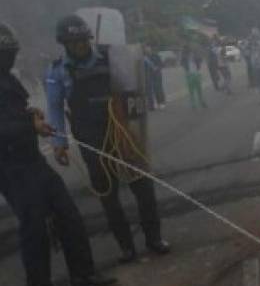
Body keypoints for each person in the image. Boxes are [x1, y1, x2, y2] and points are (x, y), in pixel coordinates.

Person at [0, 22, 118, 286]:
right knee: (34, 223)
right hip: (9, 165)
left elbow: (18, 112)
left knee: (68, 214)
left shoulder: (7, 78)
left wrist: (33, 115)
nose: (11, 57)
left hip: (31, 158)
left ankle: (84, 275)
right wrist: (30, 125)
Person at [46, 15, 170, 263]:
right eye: (74, 42)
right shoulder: (57, 71)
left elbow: (142, 69)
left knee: (143, 188)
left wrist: (132, 57)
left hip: (124, 134)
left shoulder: (112, 57)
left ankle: (154, 238)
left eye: (83, 40)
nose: (81, 45)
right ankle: (126, 247)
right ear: (65, 44)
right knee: (108, 196)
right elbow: (55, 108)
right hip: (92, 141)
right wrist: (59, 144)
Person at [181, 45, 208, 110]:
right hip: (191, 75)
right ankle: (196, 103)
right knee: (194, 90)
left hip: (193, 74)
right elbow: (183, 64)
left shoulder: (194, 57)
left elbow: (200, 60)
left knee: (196, 90)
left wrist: (197, 59)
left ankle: (199, 102)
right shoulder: (185, 58)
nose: (191, 54)